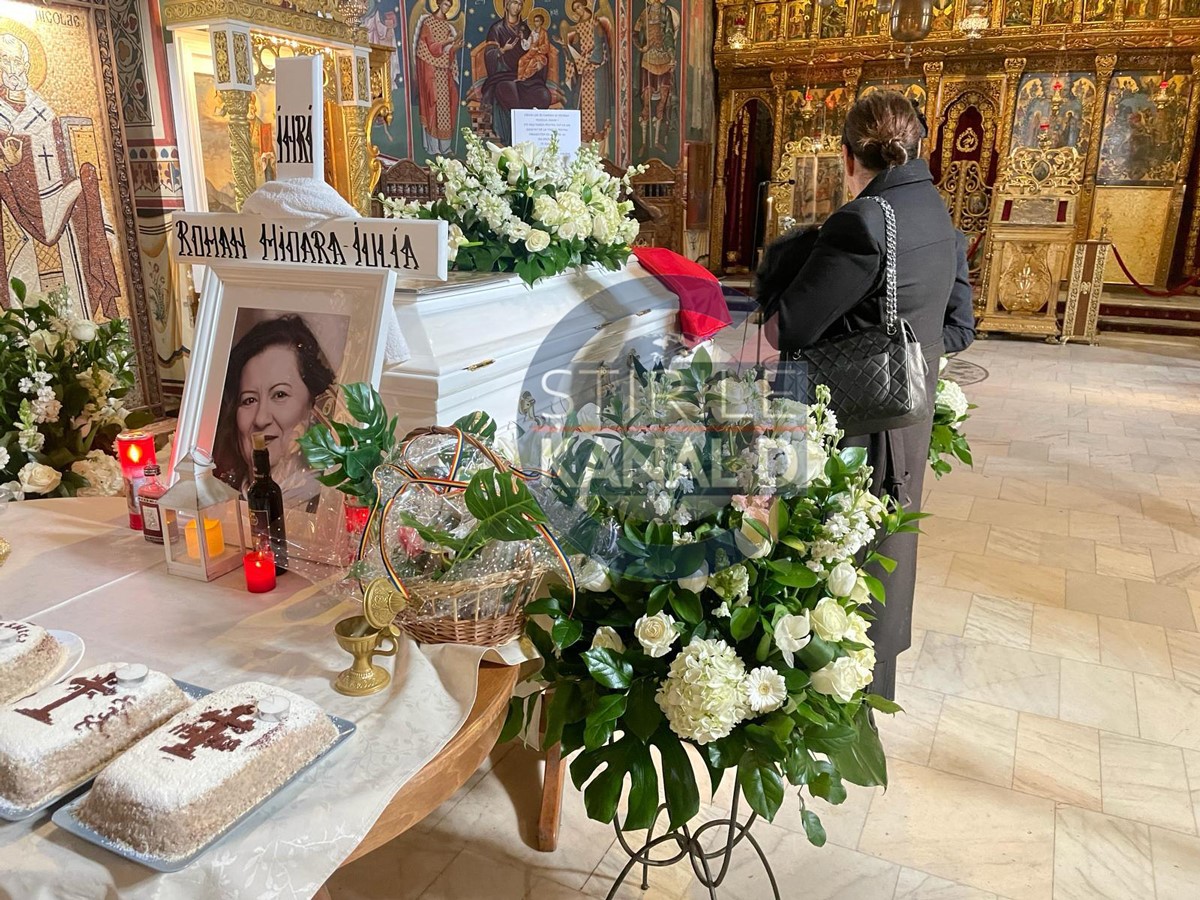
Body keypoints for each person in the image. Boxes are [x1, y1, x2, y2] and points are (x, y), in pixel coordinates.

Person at [765, 91, 968, 701]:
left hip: (858, 421)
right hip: (908, 413)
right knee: (885, 557)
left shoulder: (863, 222)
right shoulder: (935, 211)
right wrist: (907, 355)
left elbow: (787, 327)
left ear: (848, 156)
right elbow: (960, 327)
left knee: (841, 562)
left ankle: (837, 699)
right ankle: (870, 692)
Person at [213, 315, 337, 509]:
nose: (261, 419)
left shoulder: (328, 506)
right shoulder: (220, 500)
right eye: (249, 400)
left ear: (314, 407)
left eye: (280, 395)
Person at [413, 0, 463, 156]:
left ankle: (445, 147)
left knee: (446, 109)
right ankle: (434, 147)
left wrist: (454, 47)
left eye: (449, 5)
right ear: (439, 4)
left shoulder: (448, 26)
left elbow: (448, 52)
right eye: (445, 4)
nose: (447, 8)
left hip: (444, 75)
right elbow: (428, 48)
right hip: (431, 73)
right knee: (432, 106)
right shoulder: (428, 23)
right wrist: (447, 42)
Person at [517, 10, 551, 82]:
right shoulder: (533, 32)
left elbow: (546, 46)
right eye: (535, 21)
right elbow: (528, 45)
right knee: (521, 60)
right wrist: (522, 38)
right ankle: (519, 78)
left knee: (532, 61)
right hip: (531, 53)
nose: (536, 23)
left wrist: (538, 48)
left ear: (541, 22)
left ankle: (525, 77)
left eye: (537, 21)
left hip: (540, 55)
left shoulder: (544, 33)